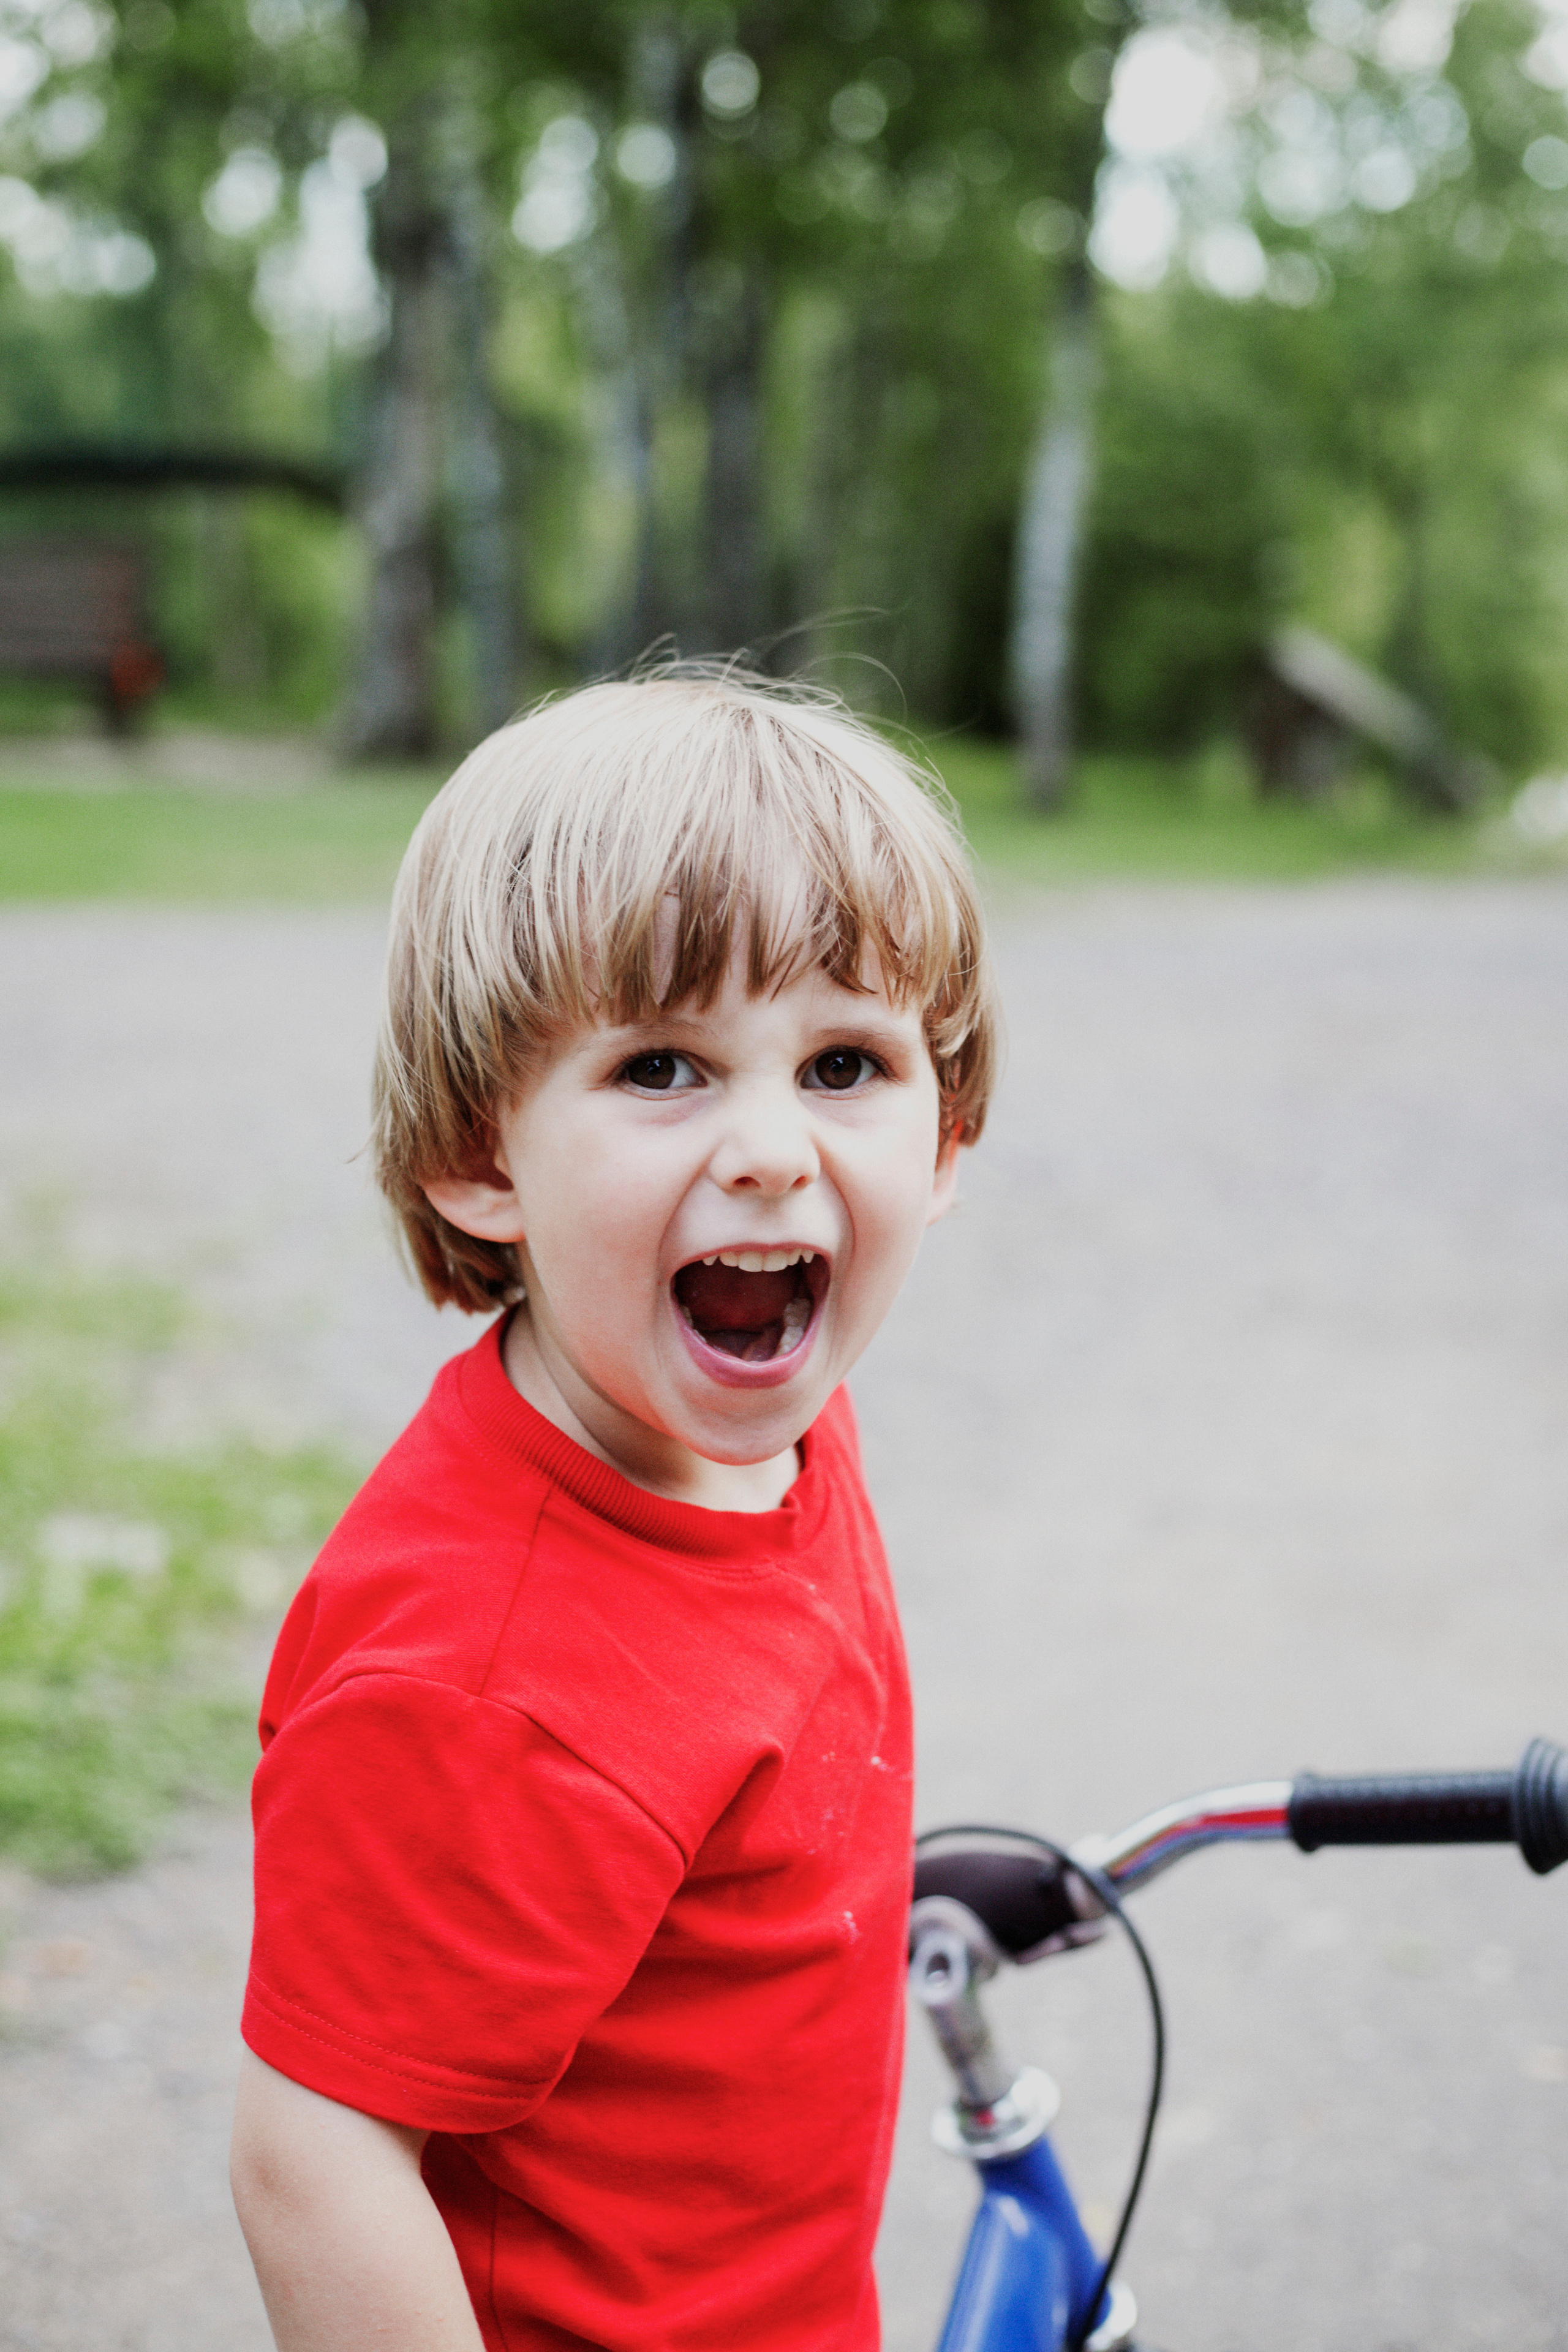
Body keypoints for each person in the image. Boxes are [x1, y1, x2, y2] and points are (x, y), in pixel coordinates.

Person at [229, 668, 998, 2352]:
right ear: (478, 1154)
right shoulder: (477, 1678)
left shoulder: (756, 1414)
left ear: (947, 1134)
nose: (776, 1150)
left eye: (846, 1061)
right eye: (663, 1067)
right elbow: (317, 2160)